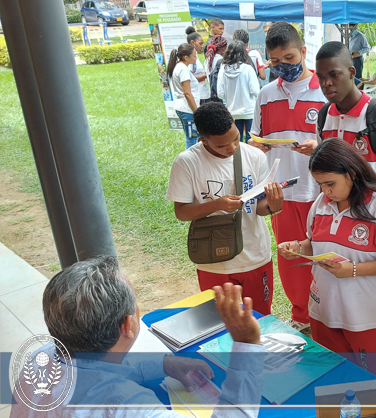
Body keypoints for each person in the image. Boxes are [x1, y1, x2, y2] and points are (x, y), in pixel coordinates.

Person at [10, 256, 265, 417]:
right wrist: (248, 346)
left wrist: (164, 364)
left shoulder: (39, 357)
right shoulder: (128, 405)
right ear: (128, 324)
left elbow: (90, 369)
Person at [277, 138, 376, 378]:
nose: (325, 191)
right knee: (332, 383)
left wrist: (352, 270)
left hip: (370, 317)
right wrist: (298, 246)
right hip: (324, 313)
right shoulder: (321, 204)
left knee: (374, 390)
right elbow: (314, 242)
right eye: (320, 184)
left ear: (351, 174)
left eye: (330, 184)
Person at [166, 102, 284, 315]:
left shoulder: (255, 157)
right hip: (213, 260)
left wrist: (273, 207)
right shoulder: (187, 163)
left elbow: (259, 208)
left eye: (236, 138)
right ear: (203, 140)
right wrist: (217, 205)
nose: (232, 148)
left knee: (261, 318)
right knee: (218, 321)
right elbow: (182, 212)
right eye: (221, 146)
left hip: (254, 255)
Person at [248, 21, 327, 332]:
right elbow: (257, 139)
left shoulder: (324, 92)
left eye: (291, 59)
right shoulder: (266, 95)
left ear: (304, 52)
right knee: (290, 255)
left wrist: (318, 147)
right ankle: (302, 315)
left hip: (320, 191)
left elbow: (337, 141)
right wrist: (257, 146)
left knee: (322, 252)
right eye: (276, 62)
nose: (284, 67)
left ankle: (326, 312)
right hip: (281, 192)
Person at [315, 41, 376, 207]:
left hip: (375, 217)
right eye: (321, 77)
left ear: (352, 72)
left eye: (334, 75)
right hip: (338, 220)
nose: (326, 83)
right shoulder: (323, 117)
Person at [218, 40, 260, 143]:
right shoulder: (248, 69)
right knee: (252, 143)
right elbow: (256, 91)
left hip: (232, 112)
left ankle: (238, 159)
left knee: (236, 142)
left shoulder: (223, 69)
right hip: (249, 111)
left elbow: (220, 94)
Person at [167, 43, 200, 149]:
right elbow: (187, 93)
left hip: (183, 108)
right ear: (186, 57)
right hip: (187, 109)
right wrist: (196, 111)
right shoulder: (183, 69)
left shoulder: (179, 67)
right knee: (192, 139)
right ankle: (189, 163)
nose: (196, 58)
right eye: (194, 56)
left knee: (193, 137)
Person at [186, 26, 210, 106]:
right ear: (192, 43)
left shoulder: (196, 57)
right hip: (198, 95)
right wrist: (206, 75)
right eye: (200, 43)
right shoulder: (190, 59)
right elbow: (190, 79)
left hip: (204, 92)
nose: (202, 46)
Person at [206, 35, 228, 101]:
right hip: (220, 93)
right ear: (223, 49)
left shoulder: (208, 58)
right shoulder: (220, 60)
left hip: (212, 91)